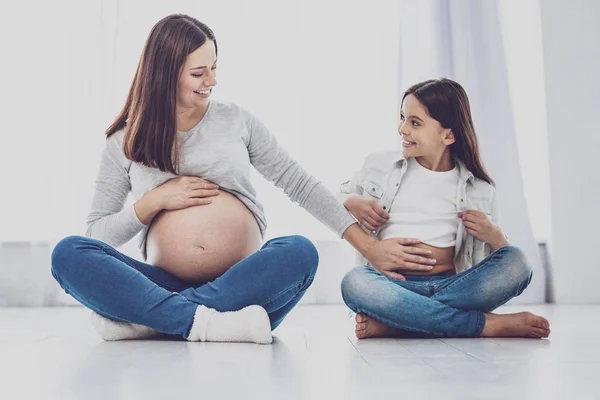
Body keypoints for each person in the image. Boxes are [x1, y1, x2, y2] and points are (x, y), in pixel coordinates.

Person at [50, 14, 413, 344]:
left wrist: (369, 247)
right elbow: (97, 236)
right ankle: (209, 323)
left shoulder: (235, 121)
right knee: (68, 254)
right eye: (198, 73)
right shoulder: (124, 141)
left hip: (245, 284)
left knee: (300, 252)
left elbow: (299, 184)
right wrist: (153, 202)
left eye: (213, 67)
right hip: (166, 285)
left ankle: (156, 320)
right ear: (165, 73)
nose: (212, 81)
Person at [339, 78, 551, 339]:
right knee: (355, 282)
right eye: (403, 117)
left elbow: (502, 258)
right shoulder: (378, 165)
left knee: (519, 263)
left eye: (415, 123)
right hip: (393, 285)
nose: (402, 128)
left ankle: (399, 322)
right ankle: (486, 325)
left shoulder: (480, 189)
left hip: (454, 285)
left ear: (448, 135)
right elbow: (335, 198)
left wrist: (493, 235)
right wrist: (351, 201)